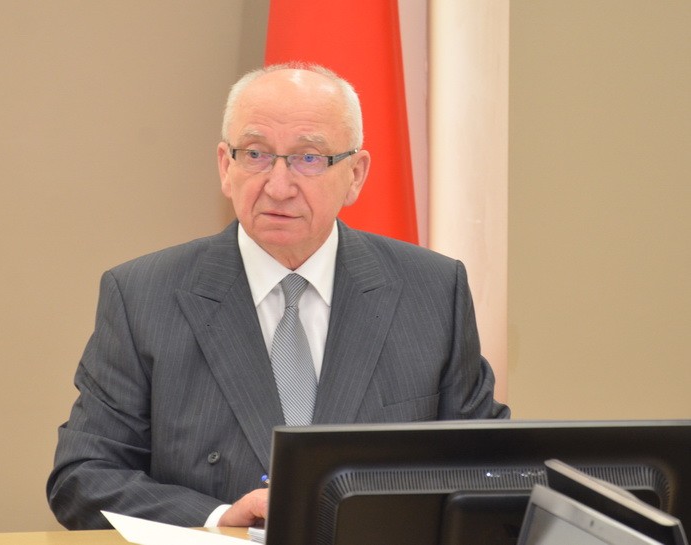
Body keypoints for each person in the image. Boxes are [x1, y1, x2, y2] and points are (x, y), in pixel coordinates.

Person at [47, 63, 509, 530]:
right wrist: (218, 518)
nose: (278, 186)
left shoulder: (432, 290)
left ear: (355, 175)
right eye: (256, 154)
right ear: (225, 167)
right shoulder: (143, 295)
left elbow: (492, 470)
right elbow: (84, 478)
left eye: (309, 158)